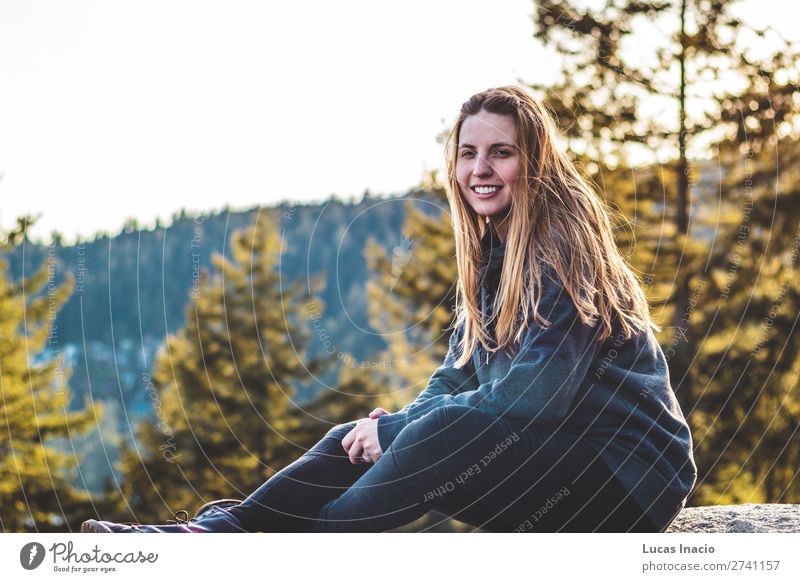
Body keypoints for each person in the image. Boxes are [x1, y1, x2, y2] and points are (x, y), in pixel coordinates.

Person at [81, 85, 696, 534]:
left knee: (437, 430)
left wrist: (403, 430)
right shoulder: (496, 253)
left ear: (533, 160)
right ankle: (212, 538)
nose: (479, 169)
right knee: (351, 437)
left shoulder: (564, 250)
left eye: (500, 153)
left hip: (625, 483)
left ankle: (292, 553)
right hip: (556, 464)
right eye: (467, 154)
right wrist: (387, 428)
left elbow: (535, 398)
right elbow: (459, 376)